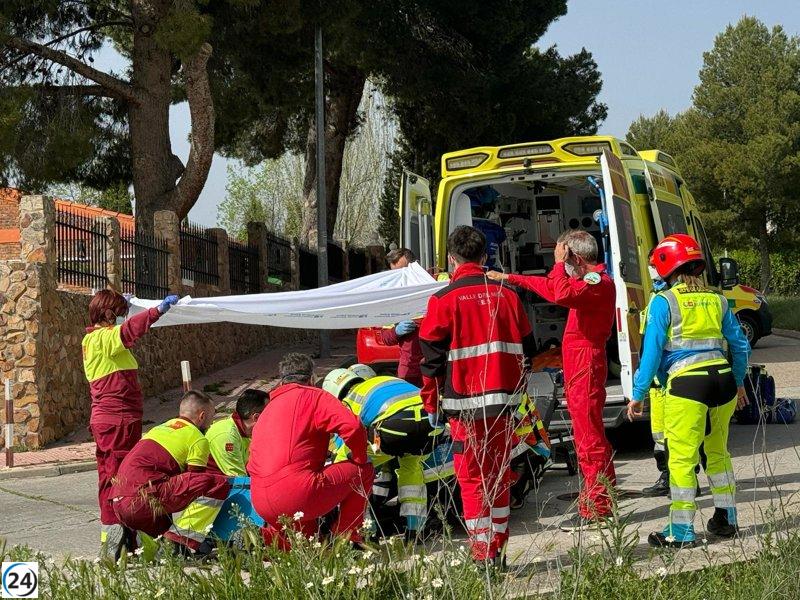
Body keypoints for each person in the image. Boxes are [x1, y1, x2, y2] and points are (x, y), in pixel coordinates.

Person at [420, 225, 536, 566]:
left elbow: (431, 362)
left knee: (471, 479)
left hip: (464, 409)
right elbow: (529, 349)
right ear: (485, 257)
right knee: (499, 475)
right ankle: (498, 547)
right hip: (504, 405)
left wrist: (431, 405)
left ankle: (482, 554)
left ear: (452, 261)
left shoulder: (442, 300)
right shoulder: (509, 295)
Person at [487, 229, 617, 531]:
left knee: (589, 439)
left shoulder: (596, 282)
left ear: (575, 257)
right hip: (580, 361)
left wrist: (559, 263)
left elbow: (560, 293)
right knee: (589, 435)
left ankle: (597, 508)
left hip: (585, 361)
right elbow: (550, 287)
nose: (561, 266)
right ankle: (601, 501)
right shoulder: (587, 282)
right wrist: (511, 279)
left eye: (564, 257)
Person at [627, 234, 750, 548]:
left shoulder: (663, 301)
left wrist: (639, 392)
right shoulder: (718, 299)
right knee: (718, 454)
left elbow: (651, 353)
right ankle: (727, 520)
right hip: (722, 381)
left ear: (666, 266)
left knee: (681, 461)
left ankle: (680, 533)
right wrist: (737, 381)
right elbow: (740, 345)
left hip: (687, 384)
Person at [82, 289, 179, 558]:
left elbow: (124, 330)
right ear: (107, 313)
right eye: (117, 311)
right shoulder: (104, 338)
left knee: (111, 477)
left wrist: (130, 304)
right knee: (122, 479)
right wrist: (157, 311)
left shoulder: (93, 339)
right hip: (118, 421)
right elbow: (129, 331)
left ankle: (121, 539)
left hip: (109, 421)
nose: (121, 316)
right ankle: (120, 540)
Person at [248, 353, 373, 548]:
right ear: (312, 378)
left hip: (260, 499)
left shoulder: (268, 406)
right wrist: (359, 456)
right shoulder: (313, 396)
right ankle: (346, 538)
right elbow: (353, 427)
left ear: (282, 380)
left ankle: (261, 538)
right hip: (298, 492)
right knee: (363, 471)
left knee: (308, 546)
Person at [322, 368, 440, 539]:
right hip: (429, 428)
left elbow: (347, 439)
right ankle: (415, 529)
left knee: (349, 467)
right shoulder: (385, 379)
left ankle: (367, 531)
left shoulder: (349, 400)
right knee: (412, 469)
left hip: (393, 432)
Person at [110, 391, 231, 543]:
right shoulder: (198, 439)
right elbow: (195, 481)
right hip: (143, 501)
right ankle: (181, 540)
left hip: (118, 500)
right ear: (202, 416)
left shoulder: (158, 429)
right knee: (214, 483)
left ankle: (128, 538)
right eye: (211, 416)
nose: (211, 423)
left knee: (162, 533)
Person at [164, 388, 268, 553]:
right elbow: (240, 478)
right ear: (256, 417)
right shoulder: (226, 435)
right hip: (214, 493)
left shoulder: (245, 434)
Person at [379, 248, 424, 386]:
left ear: (414, 266)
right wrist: (396, 331)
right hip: (409, 369)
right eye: (395, 274)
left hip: (434, 364)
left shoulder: (429, 287)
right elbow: (385, 337)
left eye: (403, 271)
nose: (400, 277)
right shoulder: (393, 299)